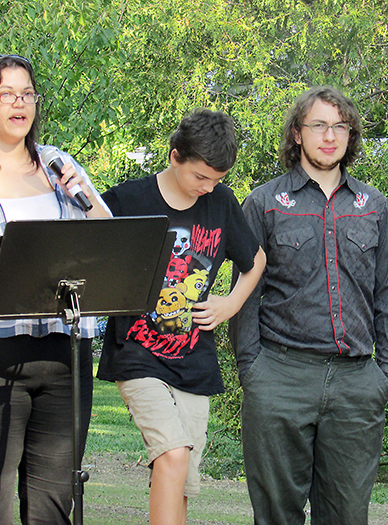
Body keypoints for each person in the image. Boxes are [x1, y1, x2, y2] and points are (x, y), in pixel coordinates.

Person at [0, 54, 111, 524]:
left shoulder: (59, 165)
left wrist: (88, 199)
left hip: (63, 354)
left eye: (27, 93)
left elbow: (109, 248)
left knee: (53, 507)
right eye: (6, 93)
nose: (19, 103)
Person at [229, 85, 388, 525]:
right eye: (319, 126)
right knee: (275, 515)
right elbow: (245, 293)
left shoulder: (373, 205)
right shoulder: (265, 203)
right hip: (280, 379)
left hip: (356, 383)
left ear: (350, 135)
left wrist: (385, 374)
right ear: (296, 134)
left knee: (346, 515)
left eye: (340, 126)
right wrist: (253, 371)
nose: (330, 136)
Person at [97, 109, 266, 525]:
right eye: (200, 178)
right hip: (137, 352)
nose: (208, 188)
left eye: (217, 180)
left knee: (181, 473)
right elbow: (88, 246)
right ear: (175, 157)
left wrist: (230, 303)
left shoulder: (221, 203)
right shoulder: (128, 199)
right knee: (173, 452)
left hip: (193, 360)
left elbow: (255, 260)